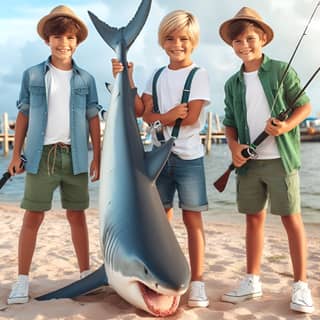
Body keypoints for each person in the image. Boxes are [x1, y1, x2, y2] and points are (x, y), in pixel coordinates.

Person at [218, 7, 314, 314]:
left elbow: (304, 105)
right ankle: (253, 280)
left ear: (263, 39)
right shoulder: (232, 83)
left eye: (250, 38)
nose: (244, 45)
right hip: (249, 163)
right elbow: (229, 121)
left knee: (292, 220)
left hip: (280, 160)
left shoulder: (281, 70)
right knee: (253, 219)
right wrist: (233, 147)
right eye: (237, 41)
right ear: (231, 45)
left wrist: (285, 126)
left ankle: (301, 285)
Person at [113, 10, 211, 308]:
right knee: (160, 223)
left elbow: (192, 118)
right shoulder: (154, 75)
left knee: (193, 222)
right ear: (161, 41)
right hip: (158, 160)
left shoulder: (199, 75)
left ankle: (197, 282)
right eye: (170, 38)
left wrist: (159, 118)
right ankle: (162, 272)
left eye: (183, 39)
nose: (176, 44)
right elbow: (142, 112)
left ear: (192, 41)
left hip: (189, 159)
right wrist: (126, 77)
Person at [7, 5, 101, 304]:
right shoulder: (33, 74)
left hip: (74, 157)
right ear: (48, 39)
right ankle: (22, 280)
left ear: (78, 41)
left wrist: (97, 156)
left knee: (77, 216)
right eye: (58, 37)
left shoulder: (86, 79)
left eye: (71, 38)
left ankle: (85, 274)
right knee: (32, 216)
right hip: (40, 156)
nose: (64, 43)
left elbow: (93, 119)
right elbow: (23, 115)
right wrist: (15, 154)